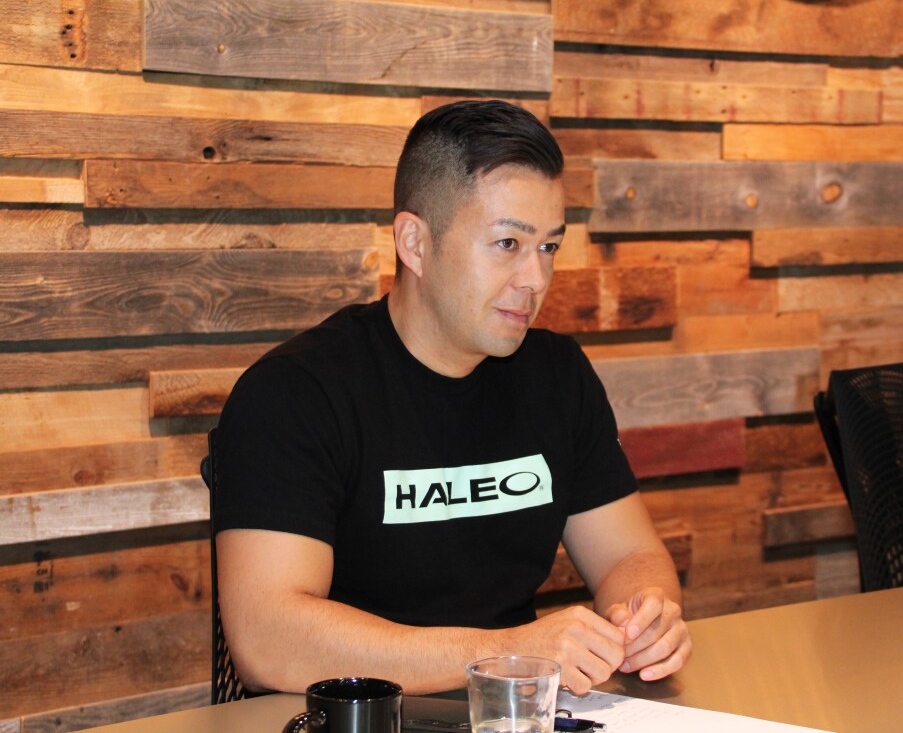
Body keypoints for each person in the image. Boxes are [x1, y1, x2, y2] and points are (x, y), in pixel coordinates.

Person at [214, 99, 691, 697]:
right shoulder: (295, 393)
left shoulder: (557, 374)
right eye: (508, 243)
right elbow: (268, 639)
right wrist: (503, 652)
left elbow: (628, 555)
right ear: (415, 243)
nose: (535, 279)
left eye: (548, 247)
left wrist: (644, 616)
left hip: (512, 712)